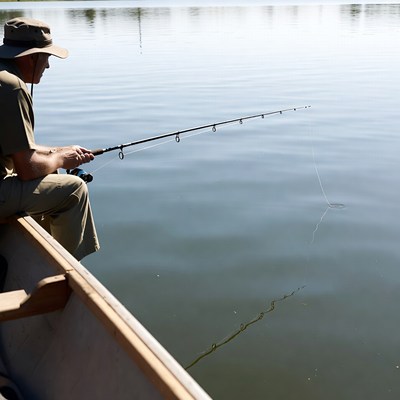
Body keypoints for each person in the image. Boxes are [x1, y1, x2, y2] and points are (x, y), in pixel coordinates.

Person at [0, 17, 99, 260]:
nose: (48, 66)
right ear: (30, 57)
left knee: (51, 172)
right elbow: (27, 168)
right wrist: (63, 159)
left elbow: (15, 147)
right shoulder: (12, 87)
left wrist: (59, 150)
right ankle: (66, 272)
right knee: (74, 190)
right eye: (46, 57)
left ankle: (38, 255)